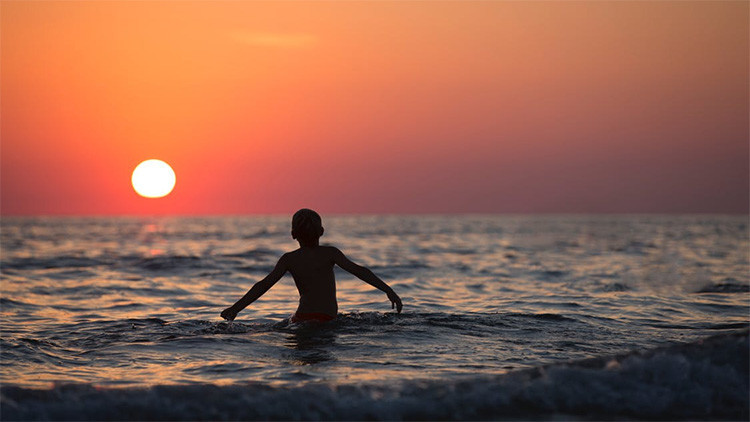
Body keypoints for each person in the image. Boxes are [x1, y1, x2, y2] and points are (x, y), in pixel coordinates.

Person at [221, 209, 403, 323]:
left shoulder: (289, 259)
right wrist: (388, 290)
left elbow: (263, 285)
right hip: (326, 319)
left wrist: (235, 309)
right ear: (322, 232)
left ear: (293, 234)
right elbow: (359, 271)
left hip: (300, 318)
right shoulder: (330, 253)